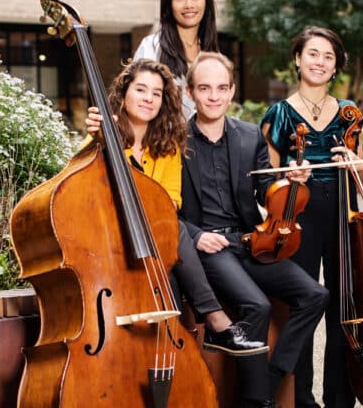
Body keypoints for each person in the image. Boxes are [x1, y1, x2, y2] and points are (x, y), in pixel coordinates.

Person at [180, 51, 329, 408]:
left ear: (232, 91)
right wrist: (195, 235)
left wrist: (290, 182)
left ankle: (267, 383)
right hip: (208, 248)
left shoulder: (248, 136)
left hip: (250, 241)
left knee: (315, 294)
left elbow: (266, 195)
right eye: (204, 88)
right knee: (257, 305)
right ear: (191, 93)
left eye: (222, 88)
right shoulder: (174, 141)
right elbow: (164, 208)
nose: (214, 96)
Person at [84, 58, 266, 356]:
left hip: (156, 240)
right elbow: (84, 193)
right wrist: (96, 143)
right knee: (174, 227)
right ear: (123, 94)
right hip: (111, 239)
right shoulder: (100, 137)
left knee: (169, 232)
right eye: (141, 90)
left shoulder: (166, 147)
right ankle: (215, 319)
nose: (148, 98)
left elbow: (170, 202)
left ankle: (182, 351)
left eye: (156, 93)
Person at [260, 26, 363, 408]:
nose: (319, 62)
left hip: (342, 211)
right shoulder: (279, 114)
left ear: (336, 65)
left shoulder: (349, 113)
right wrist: (287, 175)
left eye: (328, 56)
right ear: (298, 59)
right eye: (313, 54)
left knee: (344, 305)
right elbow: (266, 180)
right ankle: (303, 401)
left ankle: (340, 403)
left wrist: (354, 165)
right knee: (302, 306)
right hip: (297, 217)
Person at [134, 0, 219, 118]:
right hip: (161, 139)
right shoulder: (152, 47)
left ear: (206, 1)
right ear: (169, 4)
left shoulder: (212, 54)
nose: (189, 5)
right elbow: (136, 100)